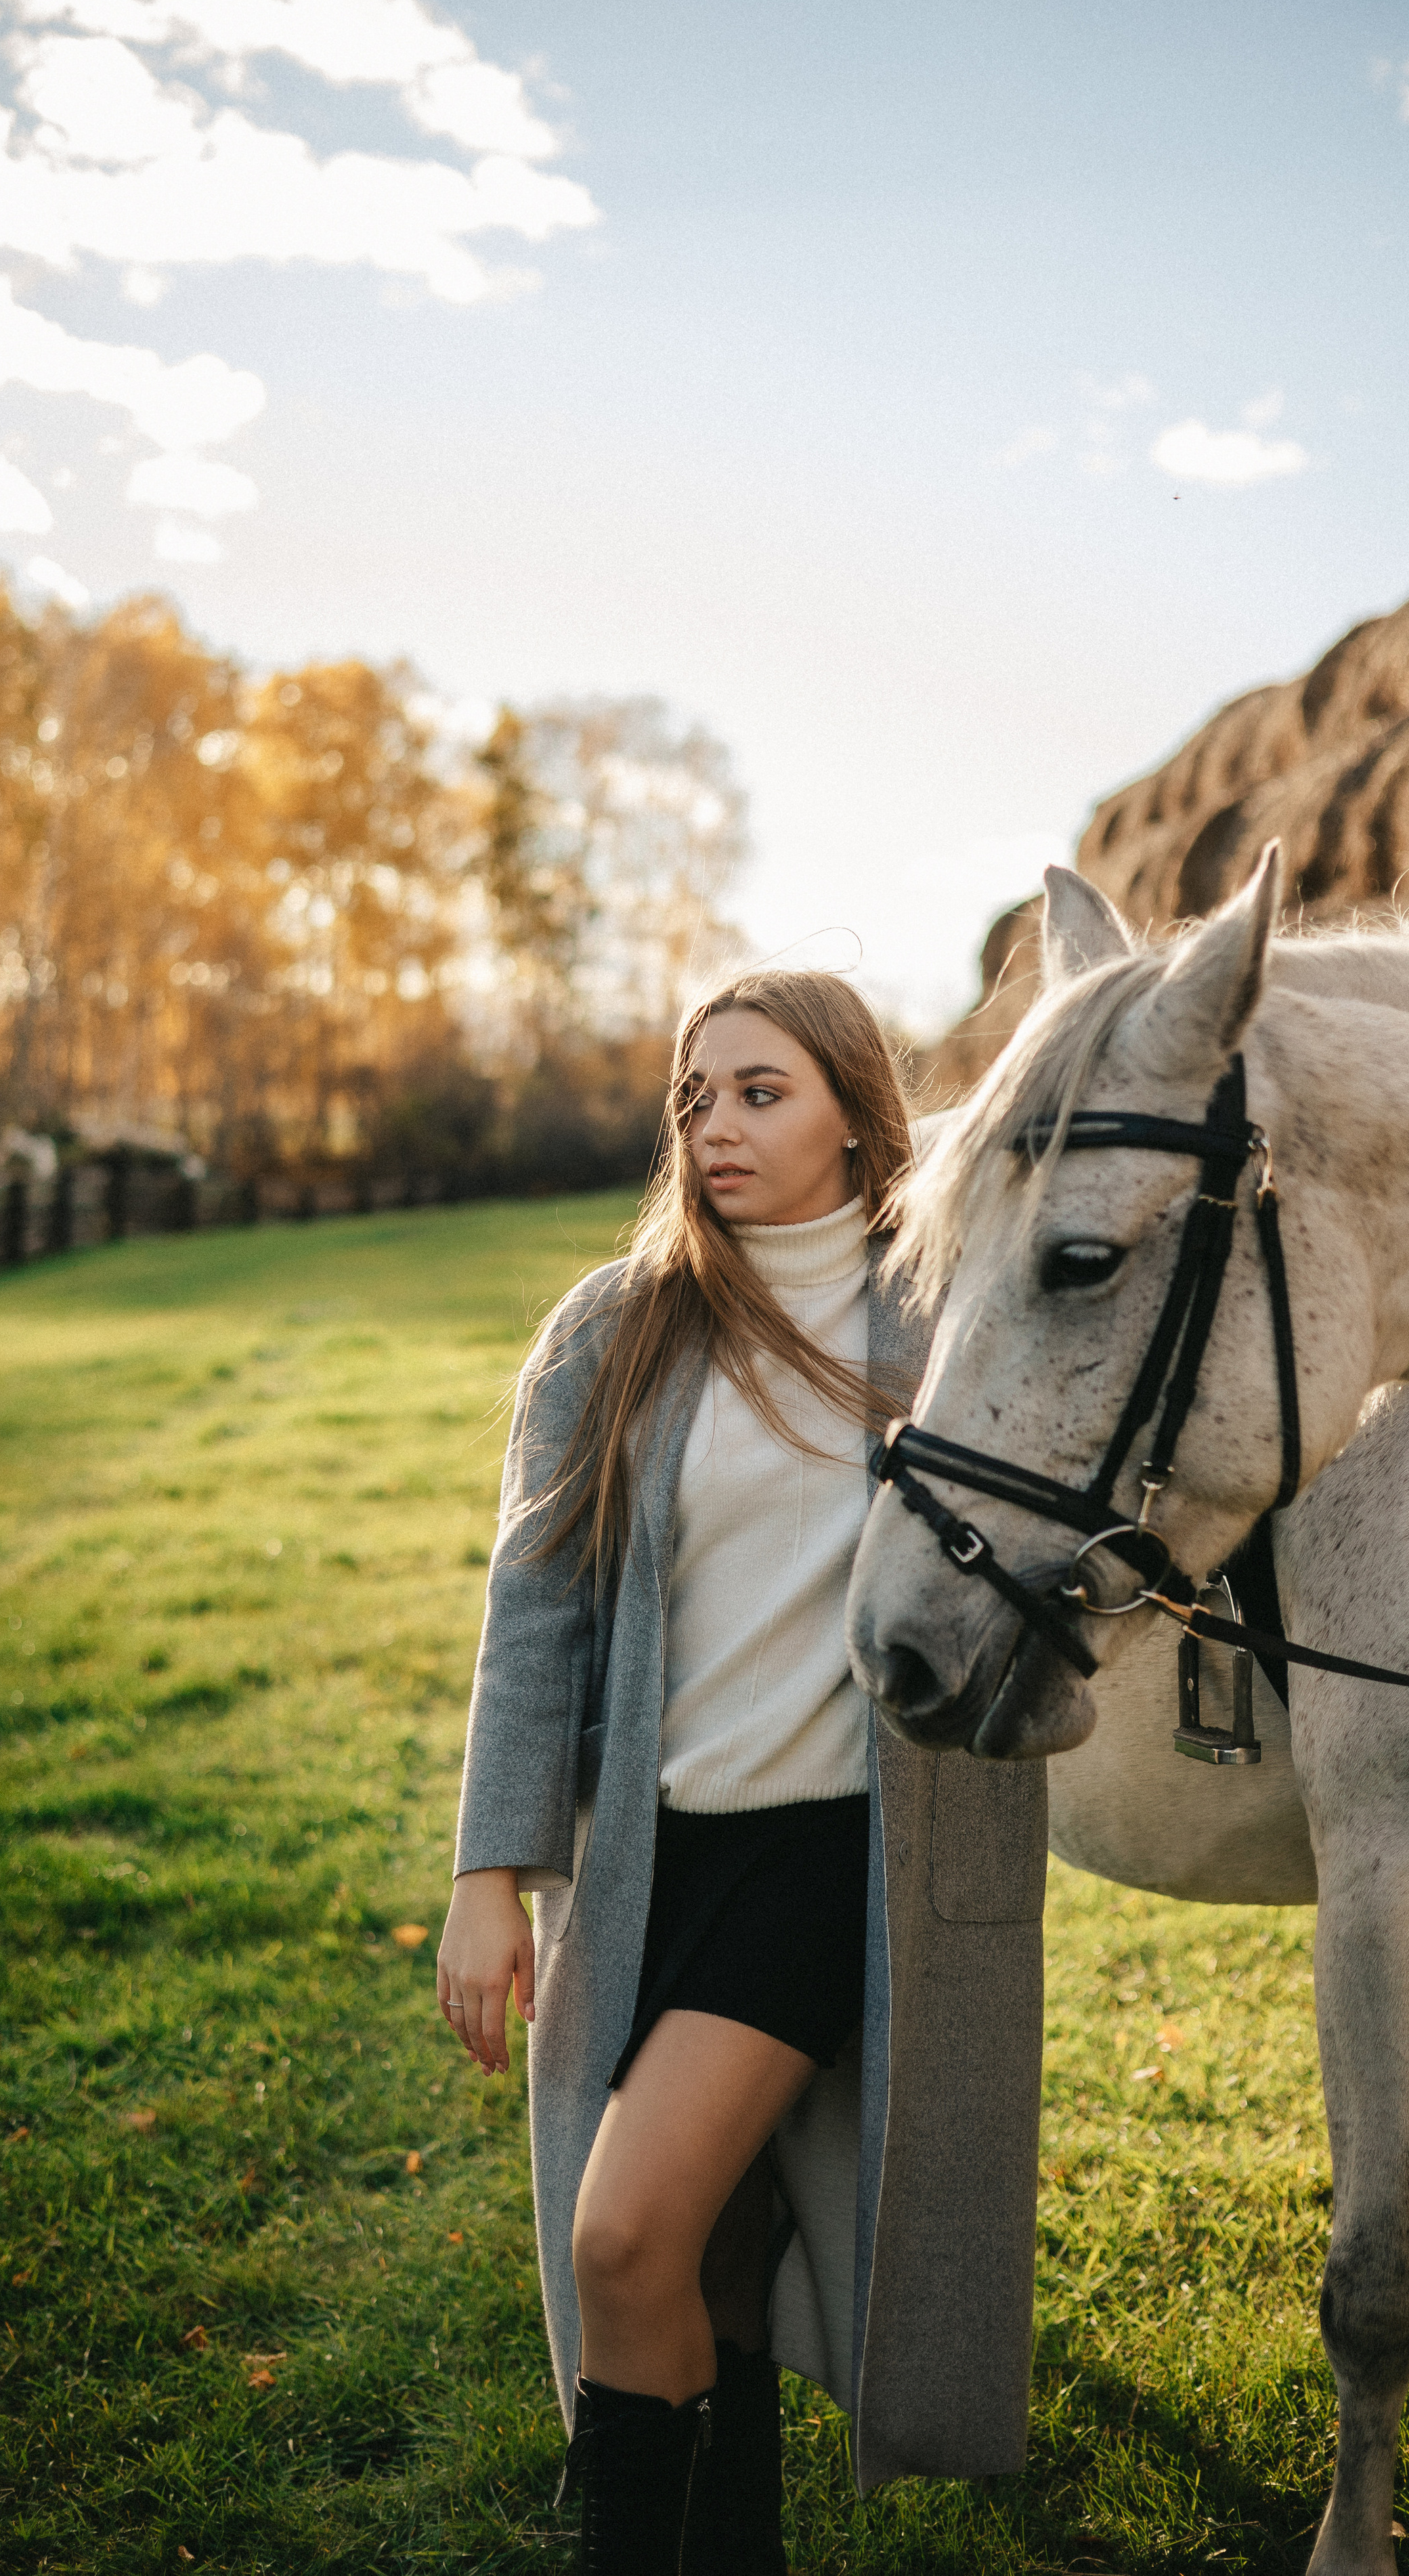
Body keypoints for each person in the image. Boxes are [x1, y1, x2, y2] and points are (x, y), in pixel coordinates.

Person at [437, 970, 1048, 2576]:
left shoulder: (945, 1321)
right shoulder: (619, 1326)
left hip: (829, 1856)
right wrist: (486, 1874)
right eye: (693, 1097)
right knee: (706, 2257)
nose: (713, 1125)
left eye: (759, 1091)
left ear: (855, 1112)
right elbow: (535, 1615)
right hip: (652, 1863)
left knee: (621, 2230)